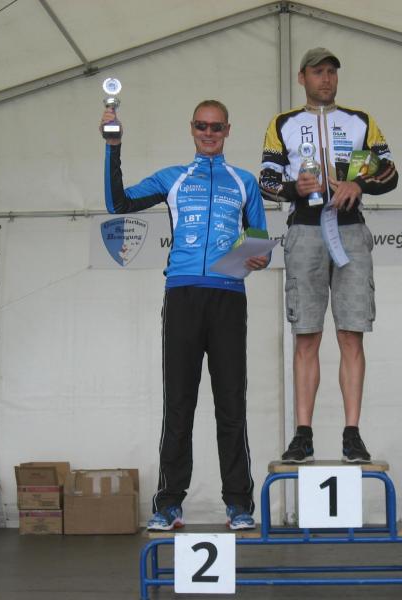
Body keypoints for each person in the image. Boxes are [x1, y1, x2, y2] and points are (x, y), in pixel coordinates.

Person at [101, 99, 269, 531]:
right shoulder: (173, 178)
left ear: (228, 130)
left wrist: (258, 257)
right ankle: (169, 503)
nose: (209, 133)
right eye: (201, 126)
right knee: (179, 405)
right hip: (182, 296)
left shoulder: (245, 181)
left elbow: (259, 240)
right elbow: (118, 203)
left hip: (229, 297)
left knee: (231, 405)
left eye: (216, 127)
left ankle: (239, 503)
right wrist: (113, 146)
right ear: (192, 128)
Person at [259, 48, 398, 464]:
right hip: (304, 228)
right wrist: (292, 189)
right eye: (318, 72)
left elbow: (390, 172)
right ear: (302, 77)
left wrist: (361, 185)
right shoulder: (283, 123)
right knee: (306, 335)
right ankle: (303, 434)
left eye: (332, 72)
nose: (326, 79)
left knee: (352, 333)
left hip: (350, 229)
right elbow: (266, 179)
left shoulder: (360, 120)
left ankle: (352, 433)